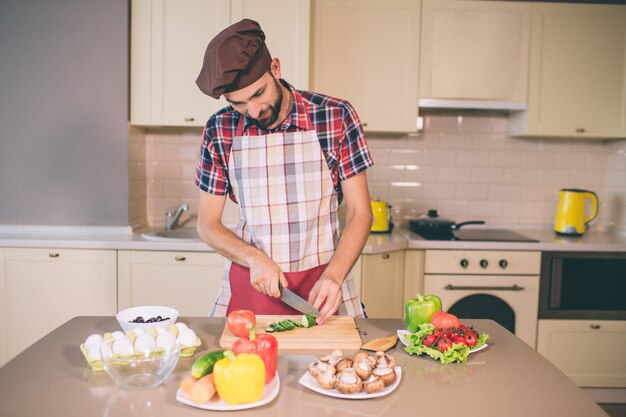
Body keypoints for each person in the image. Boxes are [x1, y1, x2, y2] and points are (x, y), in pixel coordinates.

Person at [194, 19, 373, 324]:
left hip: (323, 286)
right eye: (239, 104)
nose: (253, 111)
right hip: (254, 284)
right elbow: (207, 225)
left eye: (258, 94)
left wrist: (334, 276)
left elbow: (361, 212)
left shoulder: (334, 116)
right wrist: (255, 258)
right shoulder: (219, 129)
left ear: (275, 68)